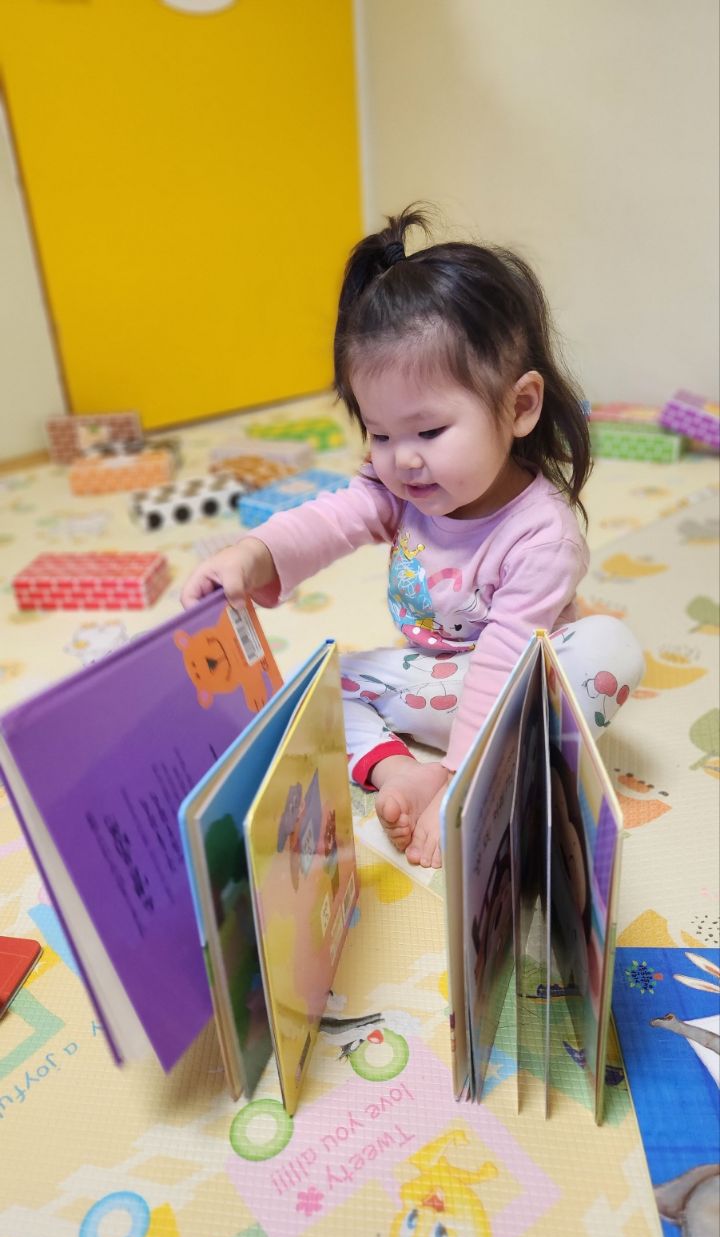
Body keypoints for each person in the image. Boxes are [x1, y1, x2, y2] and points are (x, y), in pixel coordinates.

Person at [182, 206, 643, 870]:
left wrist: (463, 782)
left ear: (519, 406)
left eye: (429, 431)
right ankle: (400, 770)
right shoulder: (399, 488)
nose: (403, 459)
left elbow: (505, 658)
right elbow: (331, 519)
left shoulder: (542, 535)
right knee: (316, 691)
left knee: (611, 648)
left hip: (519, 695)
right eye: (380, 433)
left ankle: (506, 780)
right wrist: (252, 555)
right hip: (434, 680)